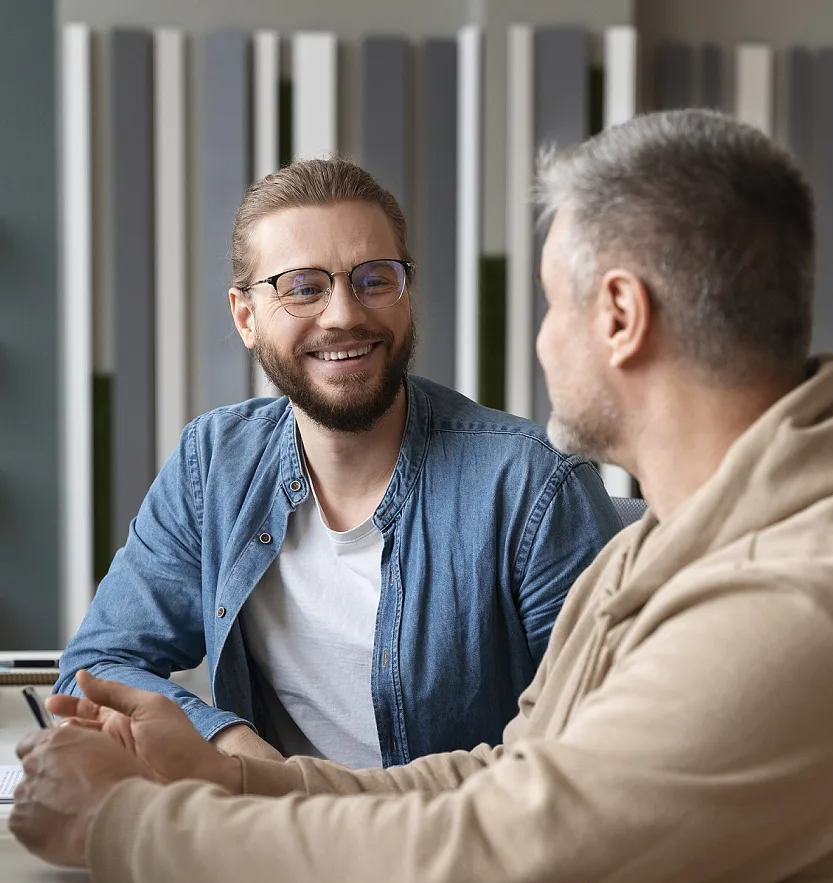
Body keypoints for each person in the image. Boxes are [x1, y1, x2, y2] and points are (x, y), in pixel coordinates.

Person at [15, 108, 833, 883]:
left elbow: (479, 863)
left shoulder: (788, 606)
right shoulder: (668, 546)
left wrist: (116, 824)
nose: (545, 340)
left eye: (553, 303)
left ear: (619, 316)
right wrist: (232, 776)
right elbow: (507, 776)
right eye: (304, 287)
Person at [55, 158, 620, 769]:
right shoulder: (214, 465)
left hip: (452, 849)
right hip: (270, 844)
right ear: (245, 317)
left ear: (408, 294)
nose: (345, 314)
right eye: (302, 287)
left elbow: (600, 751)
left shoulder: (531, 486)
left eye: (374, 279)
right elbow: (95, 669)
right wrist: (228, 743)